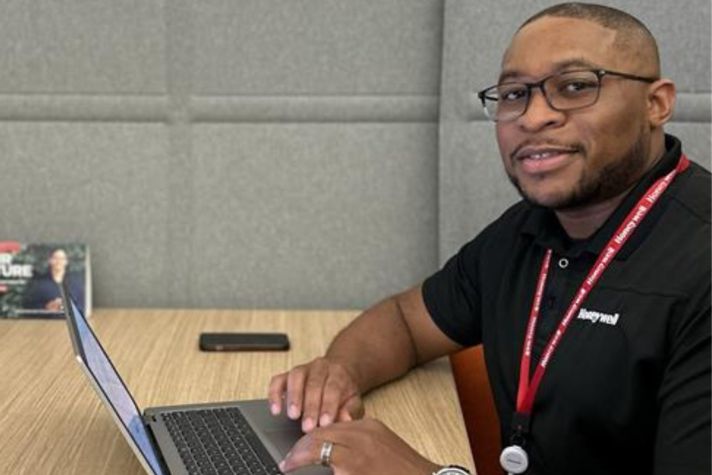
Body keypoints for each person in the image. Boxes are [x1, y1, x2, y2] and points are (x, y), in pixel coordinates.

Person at [267, 3, 711, 474]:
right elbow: (405, 322)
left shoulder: (700, 263)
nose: (534, 116)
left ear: (656, 104)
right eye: (515, 93)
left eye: (576, 86)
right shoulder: (526, 230)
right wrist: (340, 371)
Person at [23, 248, 86, 315]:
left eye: (62, 258)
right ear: (50, 260)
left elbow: (83, 307)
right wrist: (46, 307)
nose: (58, 261)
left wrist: (68, 307)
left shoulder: (76, 284)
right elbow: (28, 307)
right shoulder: (39, 284)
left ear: (66, 262)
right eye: (55, 258)